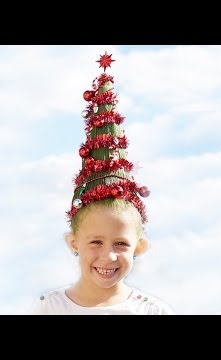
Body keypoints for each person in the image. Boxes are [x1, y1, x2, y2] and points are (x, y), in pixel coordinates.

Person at [30, 52, 175, 315]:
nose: (108, 256)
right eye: (95, 242)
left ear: (140, 247)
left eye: (121, 243)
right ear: (73, 243)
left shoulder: (153, 311)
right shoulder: (51, 307)